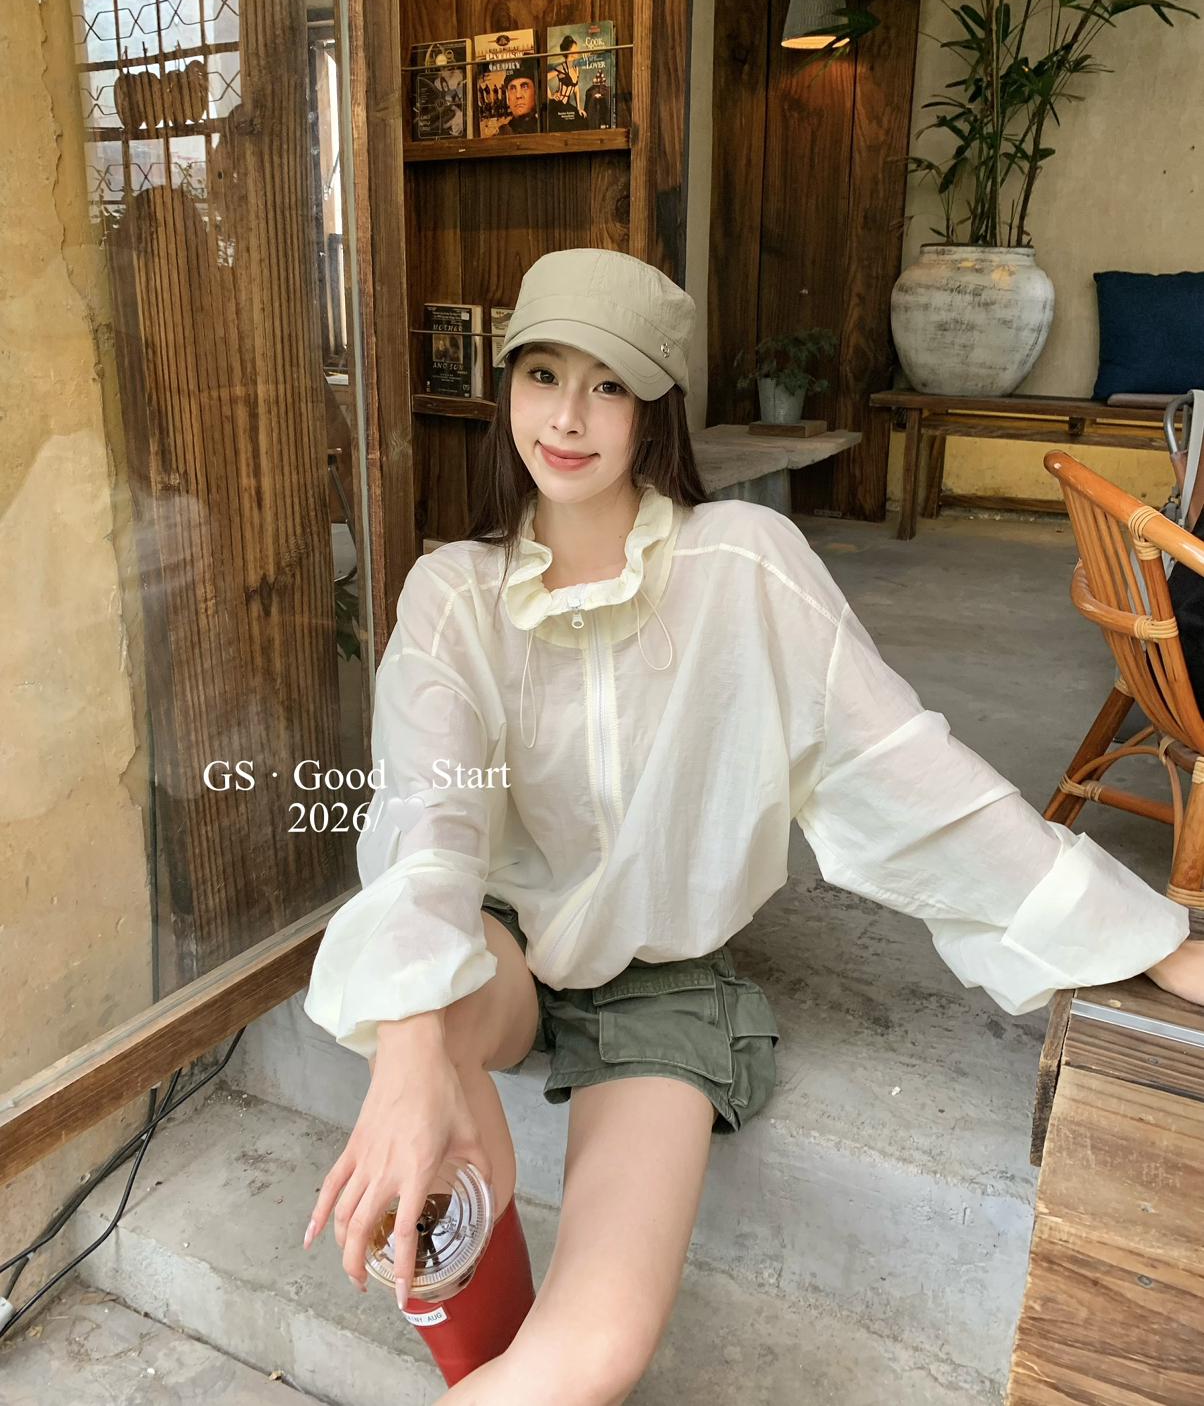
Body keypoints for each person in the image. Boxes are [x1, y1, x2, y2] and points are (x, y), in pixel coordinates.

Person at [301, 248, 1204, 1401]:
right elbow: (427, 818)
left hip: (661, 986)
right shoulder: (451, 592)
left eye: (608, 384)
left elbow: (904, 770)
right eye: (541, 374)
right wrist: (410, 1046)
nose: (566, 417)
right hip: (500, 951)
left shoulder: (744, 565)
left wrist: (1141, 935)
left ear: (656, 405)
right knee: (426, 1078)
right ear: (507, 388)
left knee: (593, 1352)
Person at [498, 59, 541, 135]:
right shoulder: (500, 136)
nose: (518, 95)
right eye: (512, 88)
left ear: (536, 92)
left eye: (525, 87)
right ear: (508, 98)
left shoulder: (547, 128)